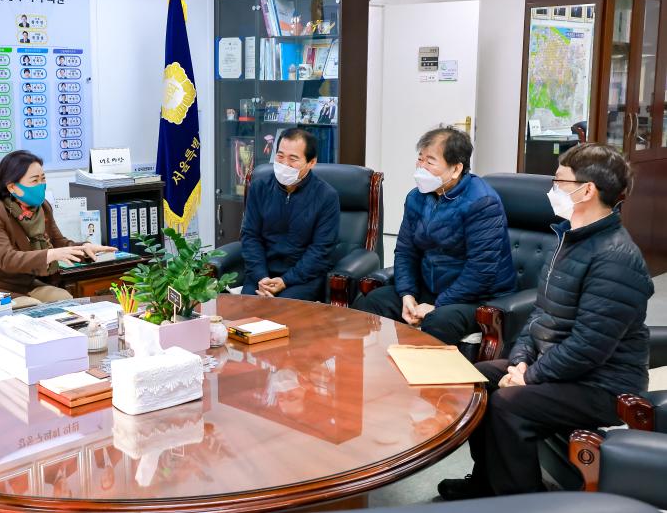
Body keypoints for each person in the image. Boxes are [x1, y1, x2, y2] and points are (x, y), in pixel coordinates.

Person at [439, 143, 653, 500]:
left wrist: (529, 377)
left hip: (603, 385)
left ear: (587, 190)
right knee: (477, 379)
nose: (552, 189)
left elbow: (589, 346)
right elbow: (541, 313)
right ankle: (486, 481)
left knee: (509, 404)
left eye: (559, 181)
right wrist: (521, 359)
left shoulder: (615, 257)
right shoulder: (568, 237)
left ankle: (524, 500)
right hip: (560, 367)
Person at [353, 127, 516, 345]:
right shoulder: (416, 197)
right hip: (431, 288)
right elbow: (405, 251)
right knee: (372, 302)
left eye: (430, 162)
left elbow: (481, 270)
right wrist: (407, 295)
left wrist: (438, 305)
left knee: (438, 321)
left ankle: (415, 368)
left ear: (456, 168)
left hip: (477, 298)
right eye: (420, 159)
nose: (421, 167)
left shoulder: (482, 202)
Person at [0, 150, 116, 307]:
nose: (41, 185)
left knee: (63, 298)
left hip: (20, 284)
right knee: (29, 306)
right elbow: (6, 259)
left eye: (43, 179)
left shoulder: (42, 208)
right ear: (12, 187)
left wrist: (85, 249)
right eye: (34, 180)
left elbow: (59, 243)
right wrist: (50, 254)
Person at [240, 128, 339, 301]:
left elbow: (321, 250)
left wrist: (285, 281)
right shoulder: (260, 187)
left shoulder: (326, 196)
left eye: (293, 159)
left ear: (311, 162)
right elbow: (250, 236)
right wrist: (261, 277)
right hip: (262, 275)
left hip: (302, 278)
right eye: (280, 156)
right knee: (244, 311)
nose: (284, 164)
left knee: (282, 311)